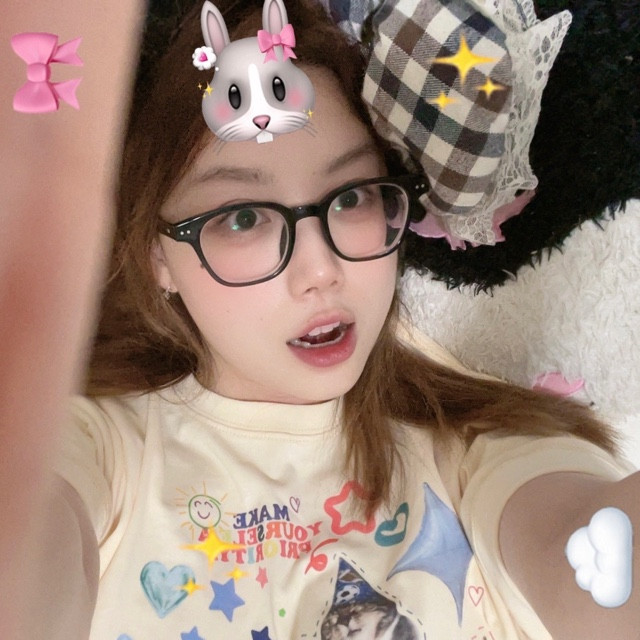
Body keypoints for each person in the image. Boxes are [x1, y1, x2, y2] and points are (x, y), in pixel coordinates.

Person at [1, 0, 639, 639]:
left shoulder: (481, 453)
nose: (320, 269)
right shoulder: (92, 453)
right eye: (243, 218)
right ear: (157, 257)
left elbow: (584, 562)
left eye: (352, 197)